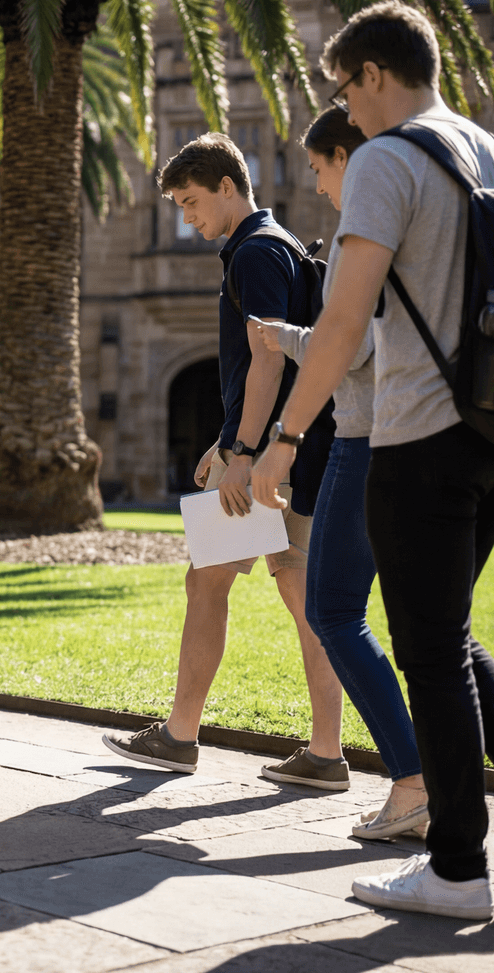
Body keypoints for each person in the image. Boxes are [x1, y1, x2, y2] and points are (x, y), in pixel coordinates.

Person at [252, 0, 494, 920]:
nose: (345, 114)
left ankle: (460, 871)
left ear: (377, 75)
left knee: (428, 648)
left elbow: (344, 319)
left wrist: (282, 439)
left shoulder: (390, 158)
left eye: (346, 90)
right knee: (456, 639)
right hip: (485, 429)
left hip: (419, 434)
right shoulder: (482, 147)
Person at [103, 133, 347, 790]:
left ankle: (182, 737)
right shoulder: (278, 245)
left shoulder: (255, 252)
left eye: (191, 202)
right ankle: (324, 751)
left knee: (221, 584)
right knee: (298, 599)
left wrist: (243, 452)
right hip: (288, 450)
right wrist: (228, 438)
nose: (187, 219)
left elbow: (268, 355)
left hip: (269, 460)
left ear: (227, 187)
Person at [254, 106, 428, 842]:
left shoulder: (374, 210)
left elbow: (348, 346)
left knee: (334, 612)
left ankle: (415, 783)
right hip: (430, 434)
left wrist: (280, 341)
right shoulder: (435, 193)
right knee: (438, 630)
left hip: (368, 438)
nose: (319, 189)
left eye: (320, 170)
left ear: (344, 156)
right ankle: (426, 781)